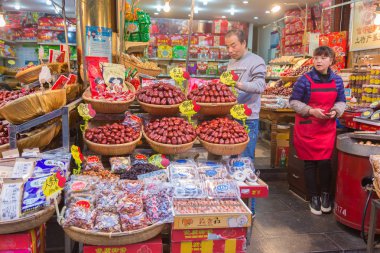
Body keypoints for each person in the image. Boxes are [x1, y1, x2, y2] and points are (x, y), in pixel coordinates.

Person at [289, 46, 346, 216]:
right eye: (316, 57)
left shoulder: (337, 80)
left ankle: (326, 196)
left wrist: (336, 110)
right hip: (308, 126)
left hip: (326, 127)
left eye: (323, 58)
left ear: (331, 60)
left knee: (325, 162)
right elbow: (293, 101)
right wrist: (311, 111)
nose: (319, 61)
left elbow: (341, 100)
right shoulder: (304, 80)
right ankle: (314, 197)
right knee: (310, 163)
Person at [225, 29, 266, 161]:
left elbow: (260, 86)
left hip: (248, 117)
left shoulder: (256, 61)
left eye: (233, 45)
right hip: (232, 115)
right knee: (233, 156)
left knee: (245, 158)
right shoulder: (231, 63)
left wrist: (238, 84)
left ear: (243, 43)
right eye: (227, 46)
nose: (230, 50)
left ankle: (248, 180)